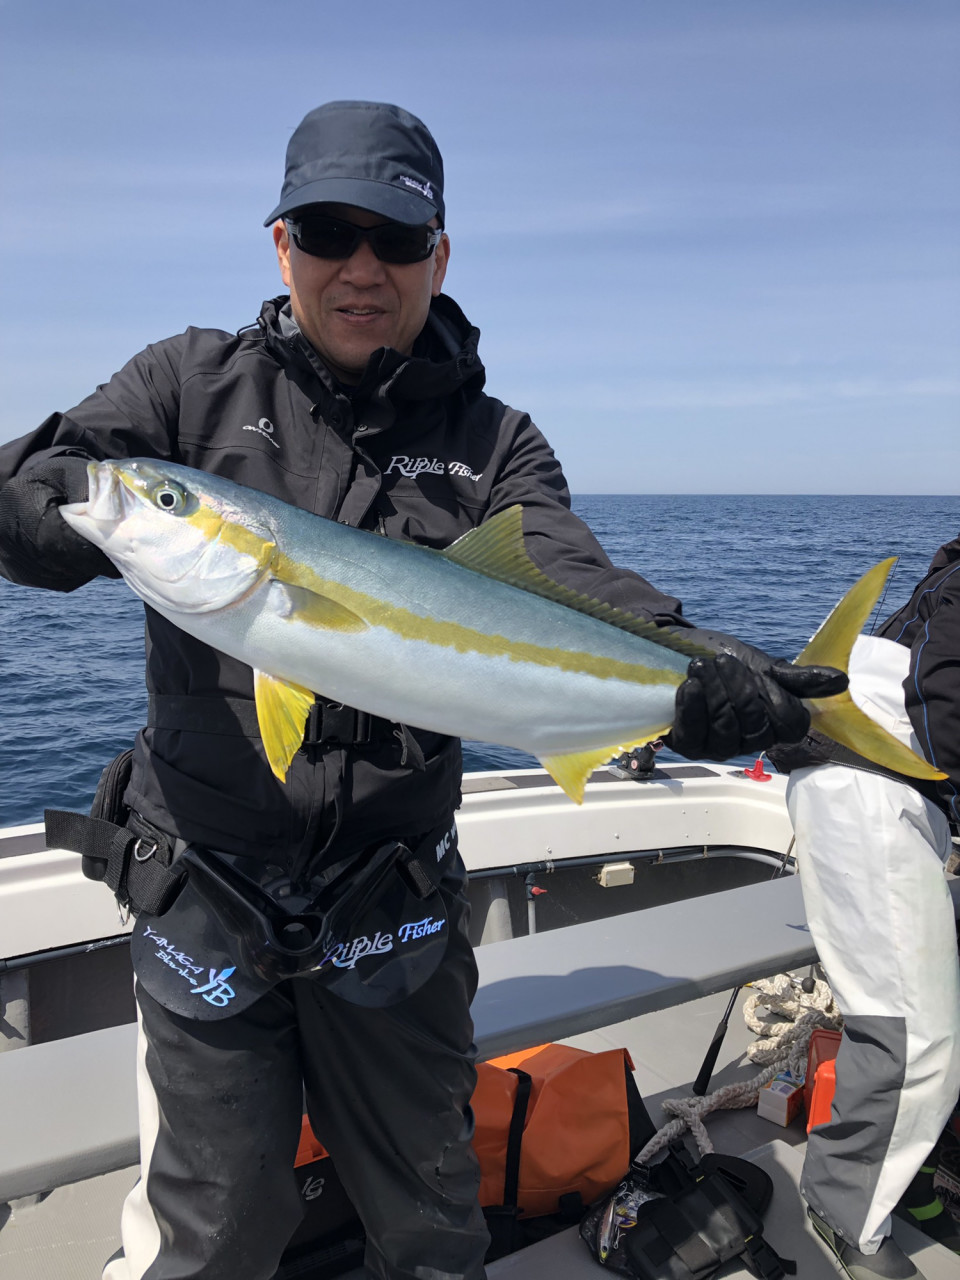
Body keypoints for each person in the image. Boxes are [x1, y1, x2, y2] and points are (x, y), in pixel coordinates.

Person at [0, 101, 842, 1280]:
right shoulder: (186, 385)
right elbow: (50, 491)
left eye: (394, 240)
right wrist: (51, 499)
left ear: (438, 257)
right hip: (203, 887)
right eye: (326, 232)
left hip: (392, 899)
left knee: (431, 1221)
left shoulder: (495, 441)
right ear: (279, 243)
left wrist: (709, 662)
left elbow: (569, 575)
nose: (360, 268)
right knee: (217, 1232)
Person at [771, 535, 960, 1280]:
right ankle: (841, 1205)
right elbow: (945, 707)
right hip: (866, 789)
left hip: (883, 786)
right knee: (911, 1033)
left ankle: (908, 1178)